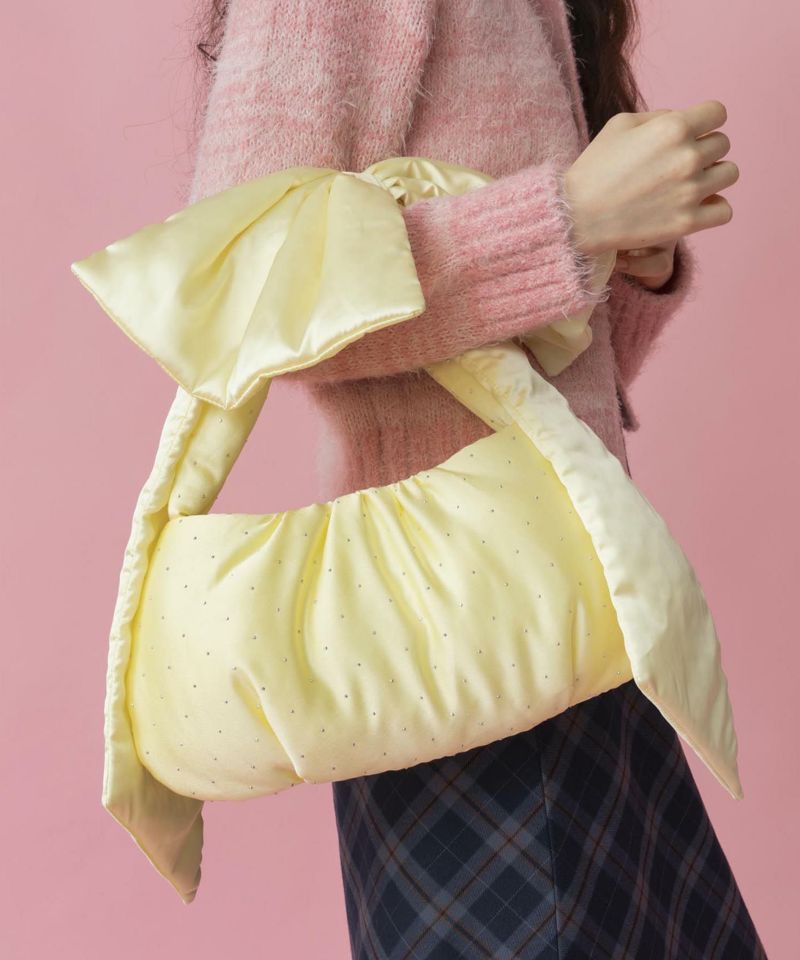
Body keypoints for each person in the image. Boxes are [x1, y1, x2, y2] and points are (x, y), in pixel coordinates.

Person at [187, 1, 767, 955]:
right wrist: (569, 220)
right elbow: (241, 290)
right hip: (450, 642)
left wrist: (629, 259)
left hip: (589, 623)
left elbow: (549, 378)